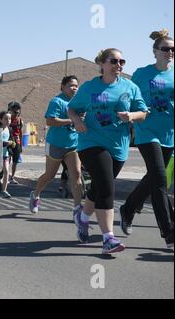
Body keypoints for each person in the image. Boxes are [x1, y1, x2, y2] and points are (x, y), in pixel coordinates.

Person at [68, 48, 148, 255]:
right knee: (106, 186)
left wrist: (131, 115)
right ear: (102, 64)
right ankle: (108, 238)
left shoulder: (130, 87)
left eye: (122, 61)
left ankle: (82, 218)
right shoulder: (89, 87)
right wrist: (76, 120)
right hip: (91, 142)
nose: (118, 65)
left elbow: (143, 112)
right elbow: (72, 108)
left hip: (118, 146)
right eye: (114, 61)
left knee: (98, 187)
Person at [120, 29, 174, 249]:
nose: (170, 52)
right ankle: (169, 232)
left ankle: (129, 208)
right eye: (166, 49)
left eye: (173, 49)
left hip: (169, 133)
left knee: (153, 178)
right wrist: (129, 113)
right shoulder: (142, 74)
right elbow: (130, 96)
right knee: (161, 179)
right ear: (155, 52)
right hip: (147, 131)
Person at [29, 76, 83, 215]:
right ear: (63, 87)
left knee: (76, 174)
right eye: (71, 85)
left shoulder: (79, 102)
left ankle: (77, 208)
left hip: (73, 145)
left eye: (76, 85)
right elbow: (50, 121)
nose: (74, 88)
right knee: (50, 175)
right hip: (56, 144)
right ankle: (35, 195)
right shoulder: (57, 101)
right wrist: (71, 120)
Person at [0, 111, 15, 198]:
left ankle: (4, 190)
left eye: (9, 118)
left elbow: (12, 140)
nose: (8, 120)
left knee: (7, 172)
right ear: (1, 119)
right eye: (6, 118)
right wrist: (5, 143)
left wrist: (13, 143)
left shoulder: (10, 129)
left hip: (6, 154)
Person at [8, 102, 24, 184]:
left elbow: (20, 132)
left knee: (15, 161)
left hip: (17, 141)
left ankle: (12, 177)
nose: (16, 114)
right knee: (7, 159)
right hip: (9, 141)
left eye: (18, 112)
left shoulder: (20, 120)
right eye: (15, 112)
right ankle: (5, 176)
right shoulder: (8, 119)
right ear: (10, 111)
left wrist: (21, 145)